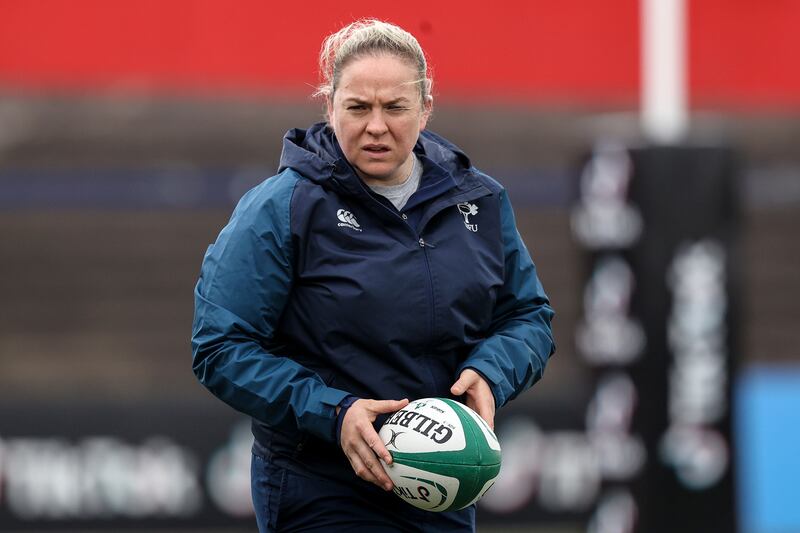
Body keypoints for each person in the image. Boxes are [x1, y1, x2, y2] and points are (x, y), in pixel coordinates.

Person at [191, 19, 555, 532]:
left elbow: (528, 316)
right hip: (320, 485)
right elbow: (220, 346)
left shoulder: (480, 200)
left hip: (439, 482)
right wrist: (334, 414)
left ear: (425, 108)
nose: (376, 126)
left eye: (395, 108)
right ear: (330, 106)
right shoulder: (283, 207)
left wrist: (491, 374)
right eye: (358, 108)